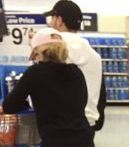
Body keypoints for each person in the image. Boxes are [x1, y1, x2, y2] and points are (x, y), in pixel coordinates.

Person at [44, 0, 106, 132]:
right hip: (87, 125)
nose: (49, 23)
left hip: (57, 126)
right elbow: (101, 93)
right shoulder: (95, 56)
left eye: (51, 19)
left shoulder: (51, 52)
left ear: (59, 20)